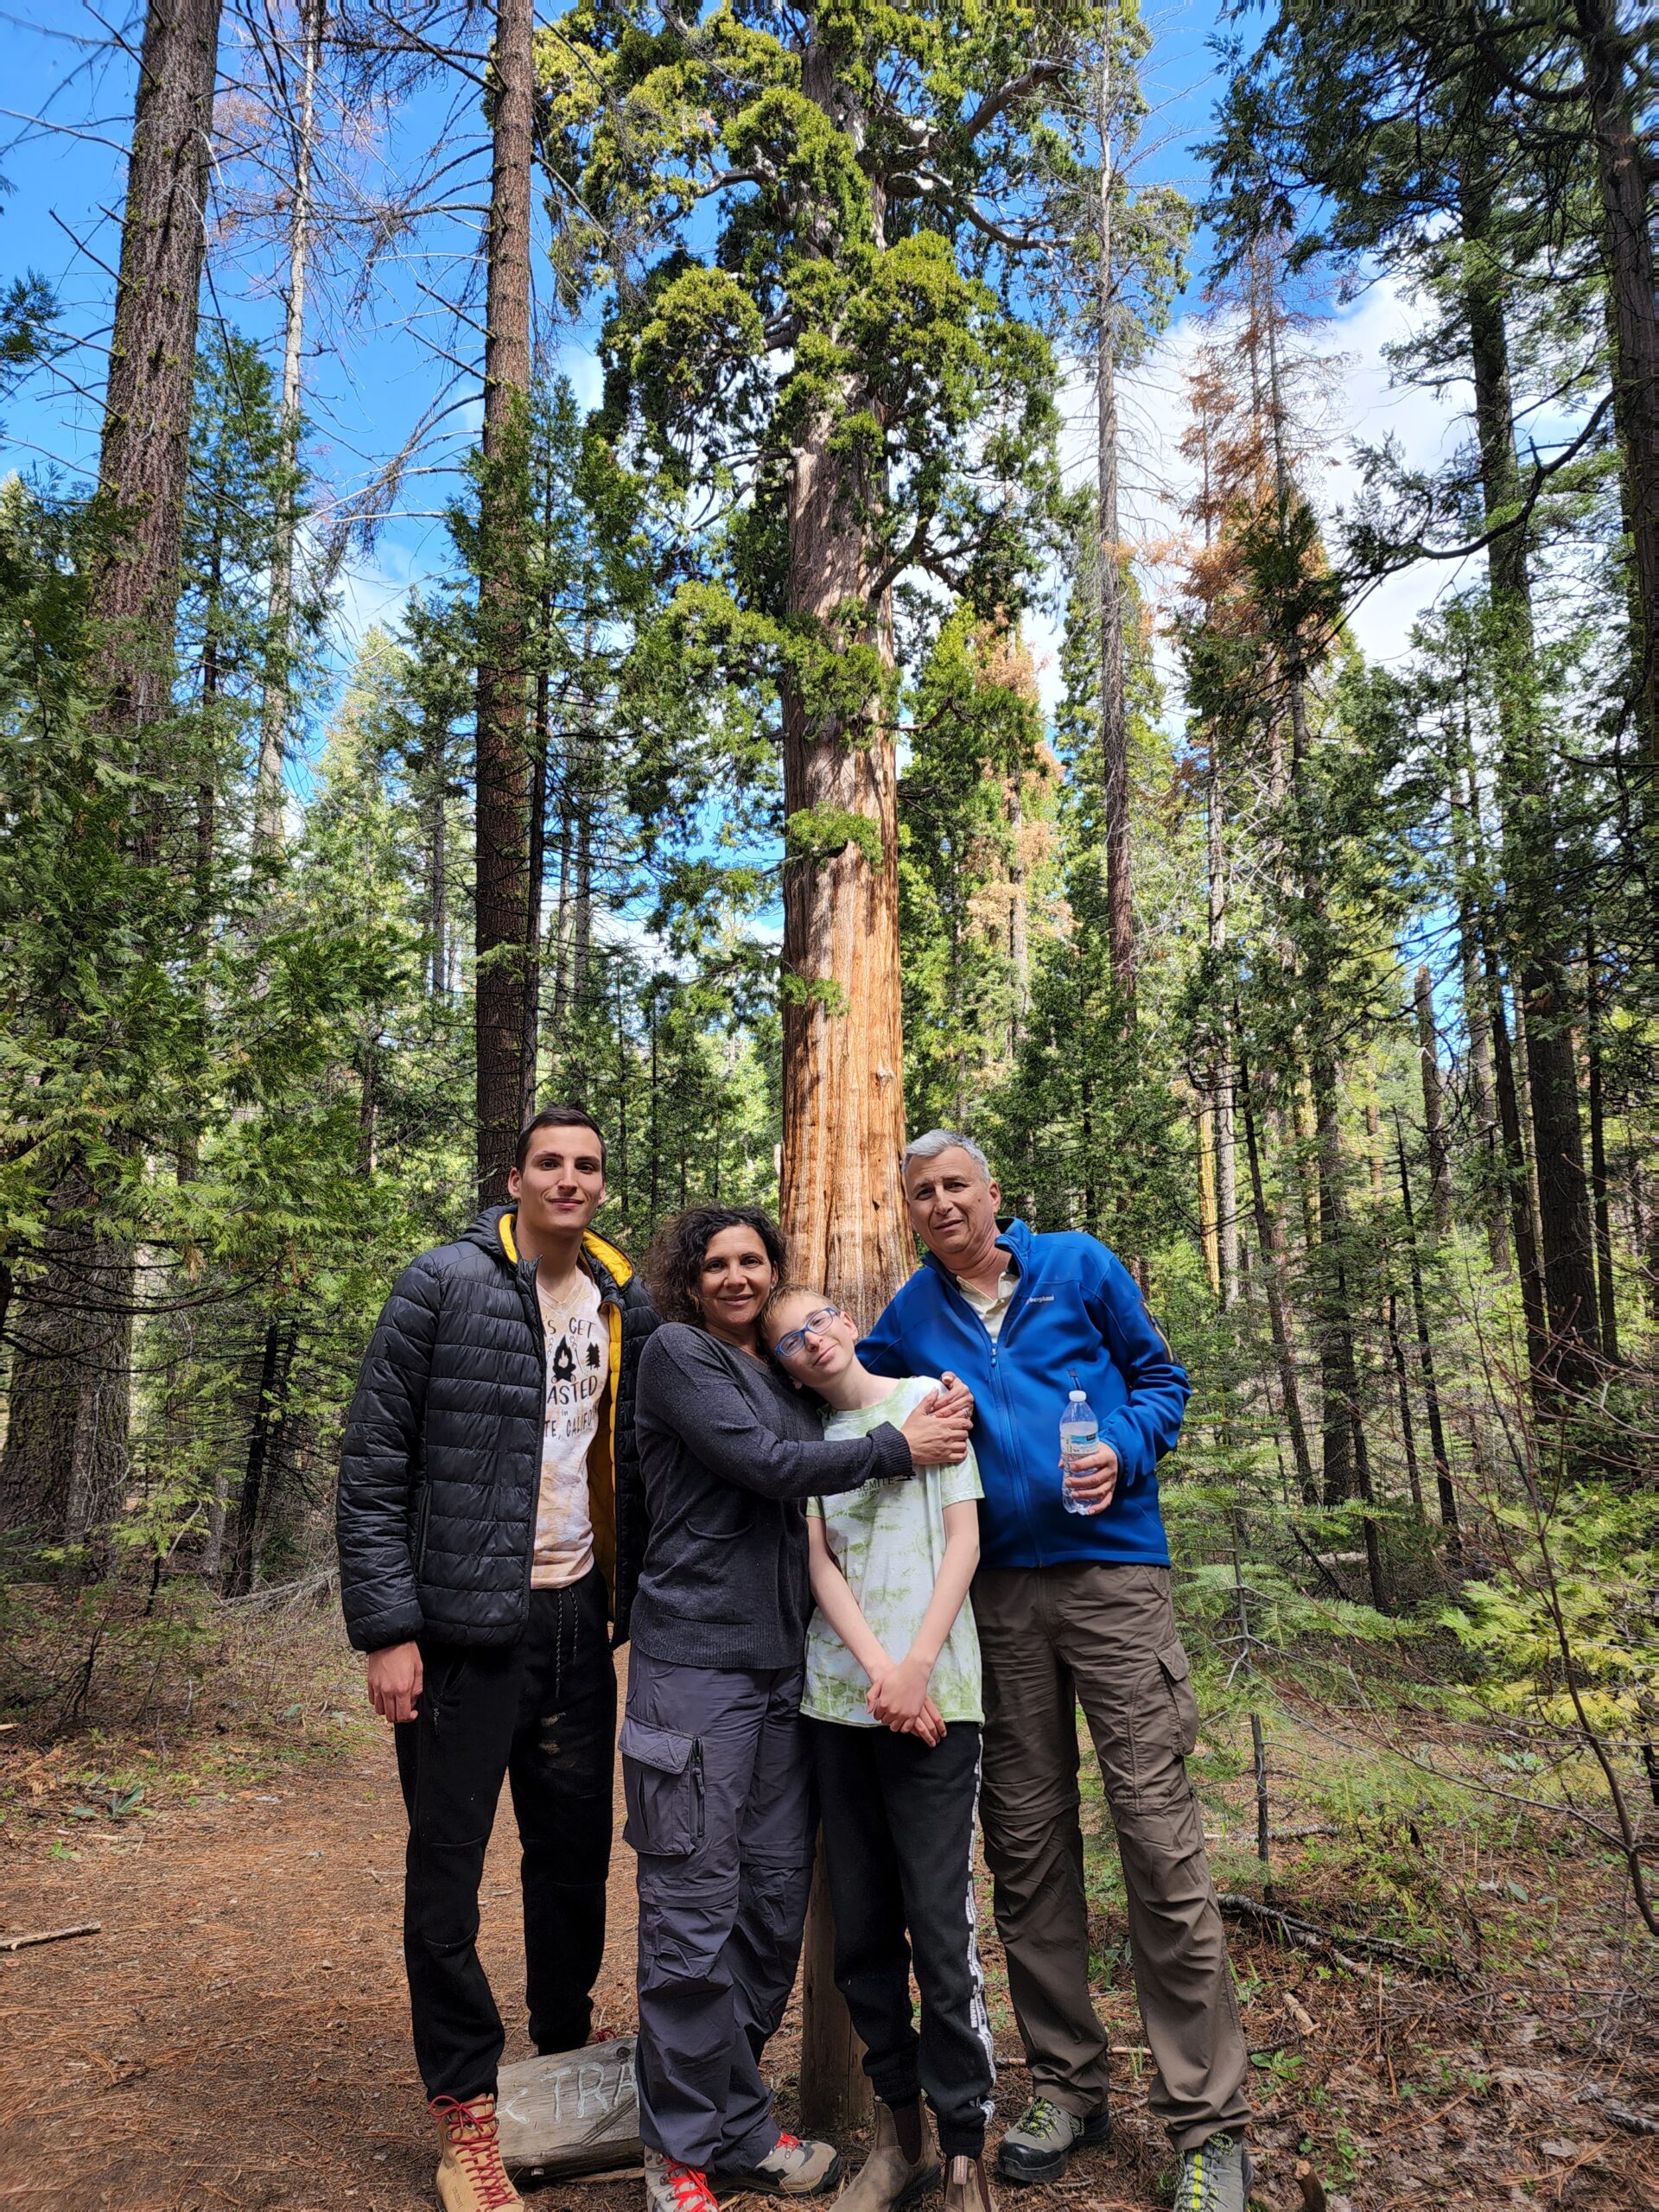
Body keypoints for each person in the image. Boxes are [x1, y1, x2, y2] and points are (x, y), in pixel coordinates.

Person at [858, 1132, 1252, 2212]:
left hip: (1114, 1580)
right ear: (911, 1211)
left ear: (993, 1195)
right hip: (996, 1601)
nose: (942, 1204)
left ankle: (1210, 2129)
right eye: (922, 1193)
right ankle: (1070, 2087)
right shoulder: (909, 1317)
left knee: (1160, 1845)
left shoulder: (1078, 1265)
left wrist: (1124, 1444)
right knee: (1026, 1849)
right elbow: (853, 1396)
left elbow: (1163, 1379)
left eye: (956, 1186)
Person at [337, 1105, 658, 2212]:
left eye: (587, 1165)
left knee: (571, 1862)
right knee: (448, 1872)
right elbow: (374, 1459)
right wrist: (388, 1627)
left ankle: (563, 2058)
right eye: (550, 1162)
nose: (569, 1179)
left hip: (577, 1624)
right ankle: (467, 2111)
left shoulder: (623, 1301)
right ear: (514, 1177)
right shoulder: (443, 1285)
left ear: (602, 1186)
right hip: (463, 1632)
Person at [626, 1206, 974, 2212]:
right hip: (693, 1670)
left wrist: (929, 1398)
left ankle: (734, 2127)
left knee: (772, 1909)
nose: (737, 1277)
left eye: (754, 1262)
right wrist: (896, 1448)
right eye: (718, 1263)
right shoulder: (678, 1355)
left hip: (783, 1675)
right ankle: (676, 2152)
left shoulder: (777, 1371)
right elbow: (768, 1467)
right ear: (689, 1279)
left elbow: (842, 1364)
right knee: (692, 1913)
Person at [763, 1287, 997, 2212]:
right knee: (860, 1933)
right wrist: (877, 1675)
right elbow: (818, 1564)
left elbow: (963, 1540)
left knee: (941, 1933)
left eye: (817, 1319)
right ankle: (900, 2142)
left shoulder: (927, 1405)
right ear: (780, 1362)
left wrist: (918, 1667)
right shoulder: (808, 1440)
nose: (809, 1340)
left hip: (940, 1696)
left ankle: (966, 2148)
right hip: (841, 1704)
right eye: (787, 1338)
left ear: (846, 1321)